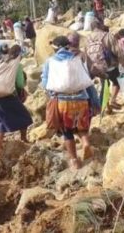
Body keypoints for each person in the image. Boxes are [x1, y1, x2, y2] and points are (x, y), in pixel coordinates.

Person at [42, 36, 98, 169]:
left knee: (67, 131)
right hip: (81, 100)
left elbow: (45, 83)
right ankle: (85, 143)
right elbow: (88, 82)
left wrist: (51, 95)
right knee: (82, 127)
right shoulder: (77, 59)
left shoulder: (50, 62)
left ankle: (74, 160)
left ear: (55, 48)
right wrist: (95, 102)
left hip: (63, 102)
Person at [0, 45, 32, 153]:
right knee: (24, 116)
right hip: (9, 96)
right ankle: (23, 138)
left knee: (0, 121)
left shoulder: (0, 62)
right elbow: (19, 83)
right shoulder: (16, 65)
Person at [87, 20, 122, 114]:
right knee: (117, 82)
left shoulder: (88, 37)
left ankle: (105, 107)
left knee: (104, 85)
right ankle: (113, 100)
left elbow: (86, 53)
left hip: (97, 67)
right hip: (110, 65)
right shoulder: (107, 35)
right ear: (100, 25)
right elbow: (117, 50)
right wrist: (122, 61)